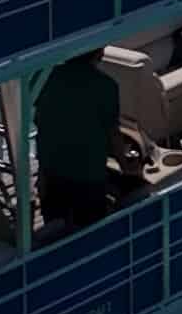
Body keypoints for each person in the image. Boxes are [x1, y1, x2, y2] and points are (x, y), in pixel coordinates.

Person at [32, 51, 126, 231]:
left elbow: (41, 125)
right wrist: (127, 166)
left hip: (52, 174)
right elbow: (113, 135)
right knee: (90, 232)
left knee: (55, 233)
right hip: (88, 176)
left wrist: (42, 175)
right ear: (100, 51)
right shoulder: (106, 86)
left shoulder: (44, 80)